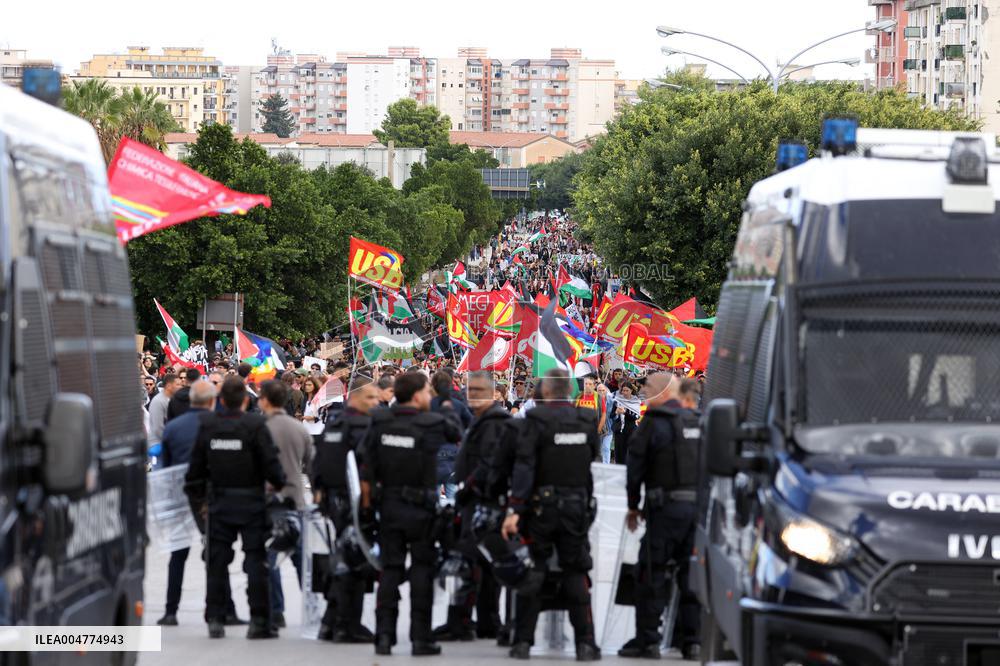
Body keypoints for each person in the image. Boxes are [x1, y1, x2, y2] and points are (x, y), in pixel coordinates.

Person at [357, 372, 462, 656]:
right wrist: (446, 402)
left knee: (389, 571)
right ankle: (420, 637)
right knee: (422, 572)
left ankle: (384, 637)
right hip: (422, 510)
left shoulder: (380, 421)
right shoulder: (433, 422)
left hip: (388, 506)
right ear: (417, 396)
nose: (430, 396)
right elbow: (457, 432)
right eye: (427, 392)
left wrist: (367, 507)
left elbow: (365, 468)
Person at [500, 369, 602, 661]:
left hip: (540, 508)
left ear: (545, 392)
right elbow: (592, 459)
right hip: (576, 506)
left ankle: (522, 643)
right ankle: (585, 643)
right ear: (569, 392)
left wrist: (514, 510)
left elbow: (524, 468)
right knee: (576, 570)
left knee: (535, 569)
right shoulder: (585, 420)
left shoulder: (534, 422)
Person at [184, 377, 286, 640]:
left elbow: (194, 470)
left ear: (220, 400)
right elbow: (271, 464)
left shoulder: (208, 426)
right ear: (245, 400)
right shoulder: (255, 424)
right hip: (251, 502)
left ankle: (216, 618)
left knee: (217, 563)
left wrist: (200, 501)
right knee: (255, 561)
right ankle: (259, 621)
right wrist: (278, 484)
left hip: (219, 503)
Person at [618, 372, 701, 660]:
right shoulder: (698, 422)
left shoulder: (654, 423)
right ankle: (692, 640)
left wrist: (632, 505)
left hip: (664, 512)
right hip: (696, 514)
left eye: (649, 387)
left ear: (664, 391)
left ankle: (649, 640)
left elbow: (635, 467)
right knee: (691, 574)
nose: (644, 392)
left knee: (651, 573)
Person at [157, 379, 244, 627]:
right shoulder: (216, 424)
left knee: (178, 553)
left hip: (178, 494)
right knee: (216, 553)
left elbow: (165, 467)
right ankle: (226, 609)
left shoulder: (172, 427)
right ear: (211, 401)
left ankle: (170, 611)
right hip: (208, 495)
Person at [435, 371, 510, 641]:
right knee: (481, 565)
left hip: (482, 503)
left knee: (467, 564)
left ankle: (461, 623)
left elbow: (491, 463)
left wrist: (470, 488)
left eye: (479, 390)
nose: (473, 394)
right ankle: (486, 621)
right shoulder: (481, 420)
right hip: (477, 502)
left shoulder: (495, 422)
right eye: (470, 389)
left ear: (494, 393)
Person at [313, 375, 380, 643]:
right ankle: (347, 624)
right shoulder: (363, 426)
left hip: (332, 502)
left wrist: (320, 495)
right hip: (354, 503)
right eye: (370, 398)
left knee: (340, 560)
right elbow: (368, 467)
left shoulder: (334, 425)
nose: (375, 403)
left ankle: (330, 622)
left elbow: (317, 464)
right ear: (354, 397)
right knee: (356, 564)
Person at [258, 379, 313, 629]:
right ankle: (313, 607)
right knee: (302, 559)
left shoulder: (258, 428)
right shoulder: (299, 429)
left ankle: (276, 610)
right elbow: (311, 465)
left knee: (269, 559)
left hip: (267, 502)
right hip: (296, 501)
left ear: (265, 401)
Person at [147, 373, 179, 461]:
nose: (180, 386)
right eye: (177, 384)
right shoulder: (158, 401)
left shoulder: (172, 399)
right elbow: (158, 428)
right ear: (169, 386)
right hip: (158, 446)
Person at [612, 381, 642, 465]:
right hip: (619, 430)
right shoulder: (617, 400)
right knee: (619, 454)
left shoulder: (636, 401)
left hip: (631, 430)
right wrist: (616, 413)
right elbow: (611, 415)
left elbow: (636, 417)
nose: (624, 392)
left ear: (631, 390)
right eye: (623, 390)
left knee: (630, 453)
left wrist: (625, 412)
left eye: (627, 390)